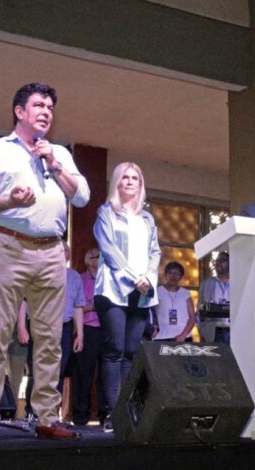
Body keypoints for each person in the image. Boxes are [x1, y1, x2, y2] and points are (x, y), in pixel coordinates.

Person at [0, 82, 90, 442]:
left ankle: (47, 417)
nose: (46, 111)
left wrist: (55, 164)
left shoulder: (59, 154)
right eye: (38, 105)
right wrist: (9, 201)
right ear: (20, 111)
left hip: (52, 253)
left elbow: (82, 197)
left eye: (50, 107)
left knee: (50, 339)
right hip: (7, 246)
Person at [93, 162, 161, 433]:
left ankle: (126, 411)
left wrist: (148, 278)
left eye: (135, 178)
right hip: (113, 290)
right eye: (125, 177)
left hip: (141, 293)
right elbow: (109, 249)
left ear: (140, 184)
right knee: (114, 351)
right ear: (117, 183)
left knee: (131, 353)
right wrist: (135, 278)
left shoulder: (147, 219)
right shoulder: (106, 212)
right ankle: (112, 412)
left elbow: (155, 252)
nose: (131, 181)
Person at [72, 247, 105, 426]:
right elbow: (75, 307)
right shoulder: (80, 279)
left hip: (107, 330)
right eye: (97, 256)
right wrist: (94, 306)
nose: (101, 259)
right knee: (83, 374)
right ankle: (80, 415)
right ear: (88, 261)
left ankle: (105, 414)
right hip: (87, 329)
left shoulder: (109, 279)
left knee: (106, 374)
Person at [56, 241, 85, 399]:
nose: (63, 252)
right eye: (59, 249)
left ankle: (54, 409)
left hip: (65, 327)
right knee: (39, 369)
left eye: (66, 250)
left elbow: (78, 306)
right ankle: (33, 410)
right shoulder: (40, 273)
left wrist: (79, 335)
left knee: (61, 369)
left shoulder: (74, 276)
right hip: (43, 327)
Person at [152, 261, 196, 342]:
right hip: (161, 336)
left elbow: (192, 317)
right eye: (170, 272)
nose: (173, 276)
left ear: (181, 276)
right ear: (165, 274)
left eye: (177, 273)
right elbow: (151, 313)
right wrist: (152, 329)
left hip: (184, 337)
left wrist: (183, 335)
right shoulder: (157, 291)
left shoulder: (185, 293)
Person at [197, 252, 230, 343]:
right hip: (213, 332)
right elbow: (200, 308)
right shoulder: (207, 283)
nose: (218, 263)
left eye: (222, 260)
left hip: (234, 331)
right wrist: (201, 331)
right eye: (216, 261)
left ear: (230, 262)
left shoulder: (237, 283)